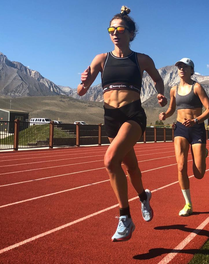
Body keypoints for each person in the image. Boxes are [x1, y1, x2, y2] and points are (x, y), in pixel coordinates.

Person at [77, 6, 167, 241]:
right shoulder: (101, 59)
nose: (115, 33)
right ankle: (144, 197)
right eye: (111, 29)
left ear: (130, 33)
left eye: (120, 29)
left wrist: (160, 95)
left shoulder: (142, 59)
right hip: (110, 118)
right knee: (131, 168)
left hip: (132, 115)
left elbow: (158, 80)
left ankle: (125, 218)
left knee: (109, 160)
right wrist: (83, 82)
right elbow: (81, 91)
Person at [159, 58, 209, 216]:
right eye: (179, 67)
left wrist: (197, 120)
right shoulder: (173, 89)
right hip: (180, 129)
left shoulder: (196, 87)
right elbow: (171, 109)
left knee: (199, 174)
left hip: (197, 129)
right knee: (181, 166)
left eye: (185, 67)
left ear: (191, 70)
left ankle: (203, 154)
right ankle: (188, 204)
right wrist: (165, 114)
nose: (181, 69)